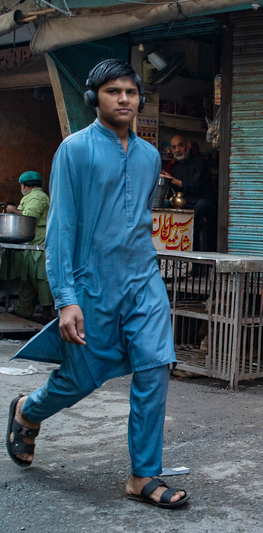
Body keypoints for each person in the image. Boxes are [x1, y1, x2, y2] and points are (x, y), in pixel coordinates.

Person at [5, 59, 189, 508]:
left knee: (153, 368)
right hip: (92, 286)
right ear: (95, 99)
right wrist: (66, 298)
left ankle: (143, 475)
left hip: (143, 280)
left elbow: (138, 218)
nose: (124, 99)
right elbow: (63, 227)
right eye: (113, 91)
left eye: (130, 91)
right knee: (78, 380)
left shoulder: (149, 156)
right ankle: (27, 411)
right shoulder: (75, 150)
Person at [3, 171, 54, 321]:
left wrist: (12, 210)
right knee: (28, 278)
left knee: (40, 278)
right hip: (30, 243)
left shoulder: (38, 197)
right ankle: (22, 311)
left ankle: (47, 311)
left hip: (39, 244)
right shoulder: (31, 197)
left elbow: (29, 216)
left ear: (24, 185)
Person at [160, 135, 217, 251]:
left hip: (202, 205)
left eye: (180, 145)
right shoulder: (176, 168)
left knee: (202, 204)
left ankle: (185, 228)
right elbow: (175, 192)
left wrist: (172, 179)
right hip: (187, 205)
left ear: (189, 145)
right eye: (174, 147)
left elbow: (196, 187)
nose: (177, 150)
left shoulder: (199, 162)